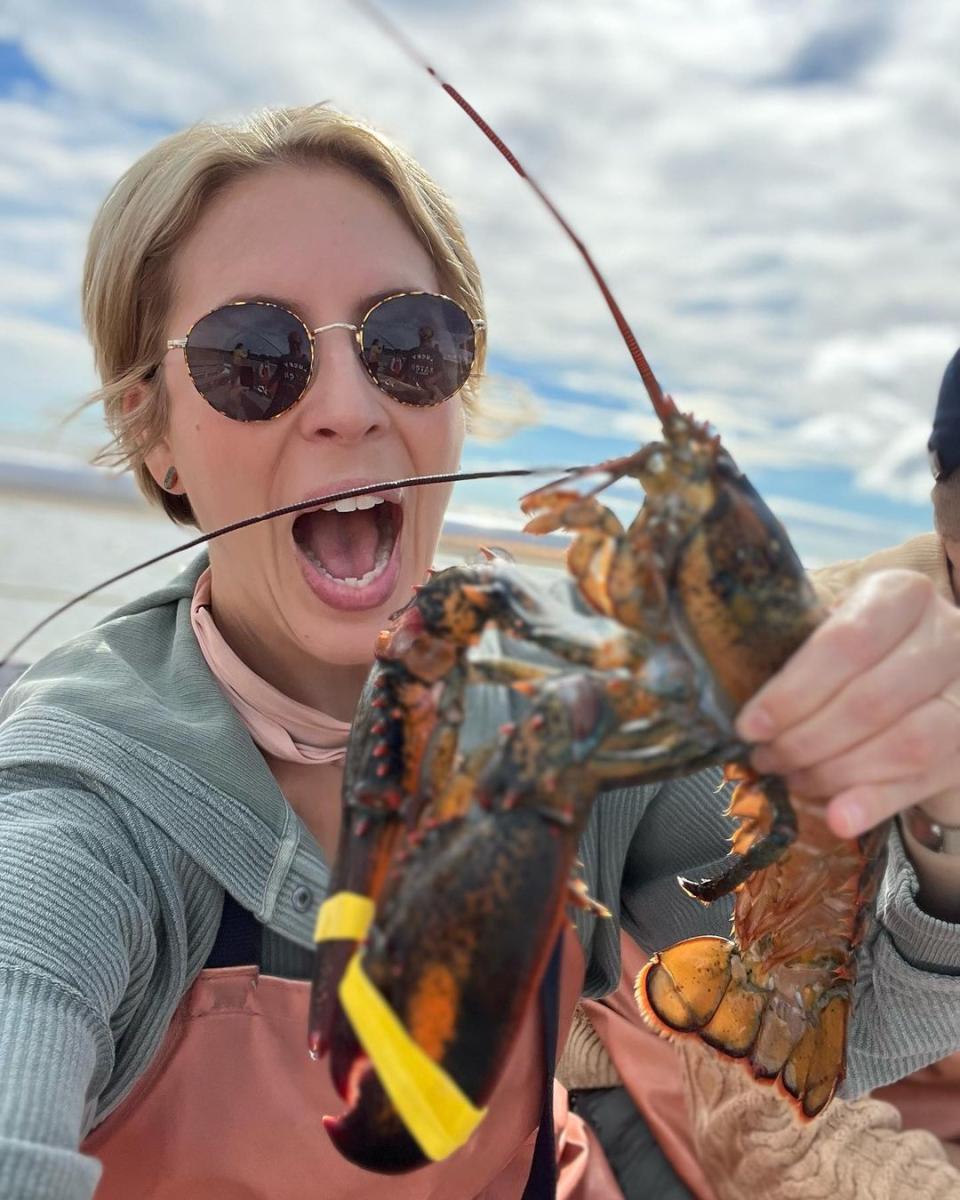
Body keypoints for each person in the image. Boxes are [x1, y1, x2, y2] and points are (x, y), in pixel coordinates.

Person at [1, 104, 959, 1200]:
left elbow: (843, 1038)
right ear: (152, 433)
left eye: (408, 343)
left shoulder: (569, 703)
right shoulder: (77, 808)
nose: (349, 408)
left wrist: (940, 818)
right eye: (252, 357)